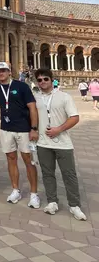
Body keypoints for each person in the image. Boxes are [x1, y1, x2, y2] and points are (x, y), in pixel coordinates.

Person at [34, 68, 86, 220]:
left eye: (45, 79)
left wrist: (59, 129)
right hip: (43, 143)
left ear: (52, 80)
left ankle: (74, 205)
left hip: (63, 143)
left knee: (69, 175)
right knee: (47, 173)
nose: (43, 82)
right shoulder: (36, 98)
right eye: (39, 80)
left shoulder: (64, 97)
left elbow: (74, 117)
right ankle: (52, 201)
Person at [0, 61, 40, 208]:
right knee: (11, 159)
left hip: (24, 129)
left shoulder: (22, 86)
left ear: (9, 72)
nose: (1, 73)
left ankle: (34, 194)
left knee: (28, 160)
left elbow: (32, 107)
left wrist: (34, 128)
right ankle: (15, 189)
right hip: (6, 129)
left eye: (4, 70)